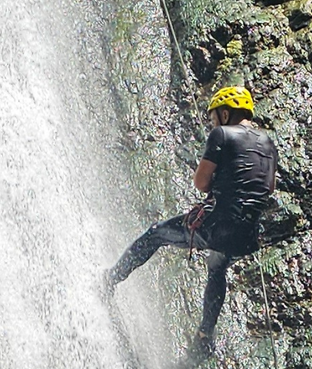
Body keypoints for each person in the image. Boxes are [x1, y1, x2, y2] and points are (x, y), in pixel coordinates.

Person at [104, 85, 278, 359]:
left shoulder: (222, 134)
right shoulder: (268, 142)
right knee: (217, 266)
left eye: (214, 117)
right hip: (247, 235)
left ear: (225, 113)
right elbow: (268, 187)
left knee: (156, 234)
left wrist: (219, 185)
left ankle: (110, 280)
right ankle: (204, 335)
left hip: (218, 223)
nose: (213, 123)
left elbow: (201, 182)